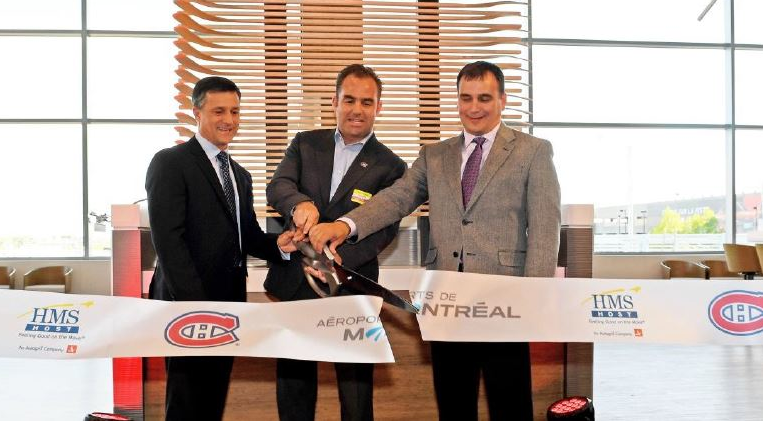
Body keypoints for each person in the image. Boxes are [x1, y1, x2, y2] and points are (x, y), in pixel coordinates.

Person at [307, 61, 561, 421]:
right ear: (456, 100)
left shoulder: (532, 151)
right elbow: (396, 199)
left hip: (505, 303)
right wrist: (345, 225)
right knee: (454, 406)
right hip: (447, 303)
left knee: (510, 405)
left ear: (502, 100)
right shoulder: (435, 155)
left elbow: (544, 227)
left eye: (485, 98)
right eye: (466, 98)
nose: (474, 107)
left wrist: (534, 296)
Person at [146, 75, 297, 421]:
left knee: (214, 398)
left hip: (228, 308)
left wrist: (280, 246)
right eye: (218, 111)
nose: (228, 120)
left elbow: (248, 236)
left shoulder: (239, 175)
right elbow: (169, 242)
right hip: (186, 308)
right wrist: (196, 308)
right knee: (186, 403)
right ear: (196, 112)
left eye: (234, 111)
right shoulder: (171, 162)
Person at [265, 64, 407, 421]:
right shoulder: (304, 143)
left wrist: (332, 256)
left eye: (366, 102)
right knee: (294, 385)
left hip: (352, 283)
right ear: (334, 102)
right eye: (349, 100)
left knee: (356, 390)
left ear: (379, 107)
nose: (357, 109)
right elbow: (279, 186)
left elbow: (385, 229)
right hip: (297, 282)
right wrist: (299, 204)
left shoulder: (391, 166)